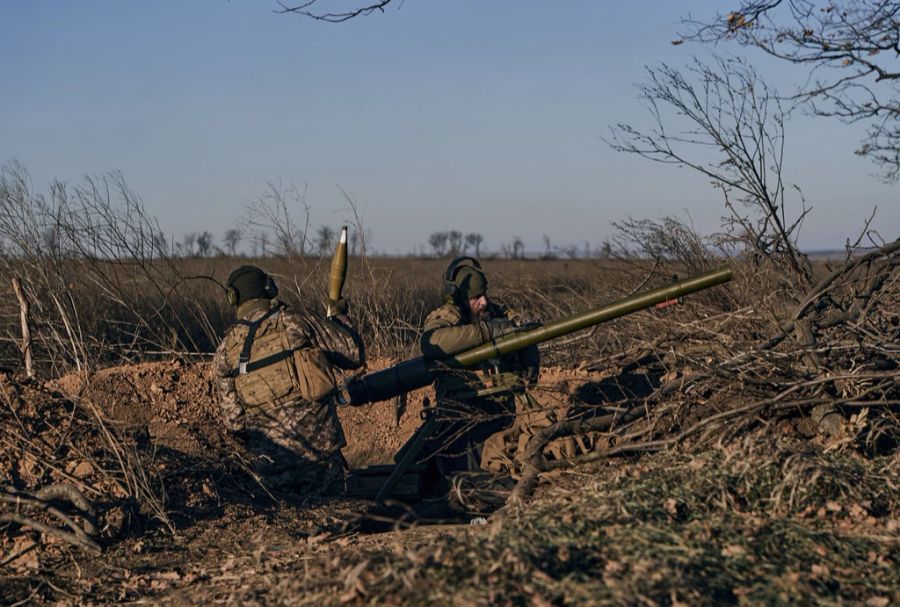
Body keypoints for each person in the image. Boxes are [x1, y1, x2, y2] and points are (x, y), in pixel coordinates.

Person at [212, 265, 364, 495]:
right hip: (320, 458)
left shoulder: (225, 353)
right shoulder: (295, 322)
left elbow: (234, 423)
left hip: (271, 470)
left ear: (233, 298)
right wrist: (339, 316)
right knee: (339, 518)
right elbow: (353, 353)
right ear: (269, 288)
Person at [418, 257, 541, 492]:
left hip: (500, 411)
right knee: (467, 478)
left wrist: (529, 363)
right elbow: (431, 342)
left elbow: (524, 335)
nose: (483, 302)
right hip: (463, 416)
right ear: (460, 299)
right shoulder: (448, 316)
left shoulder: (495, 311)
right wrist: (485, 331)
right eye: (476, 298)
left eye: (484, 294)